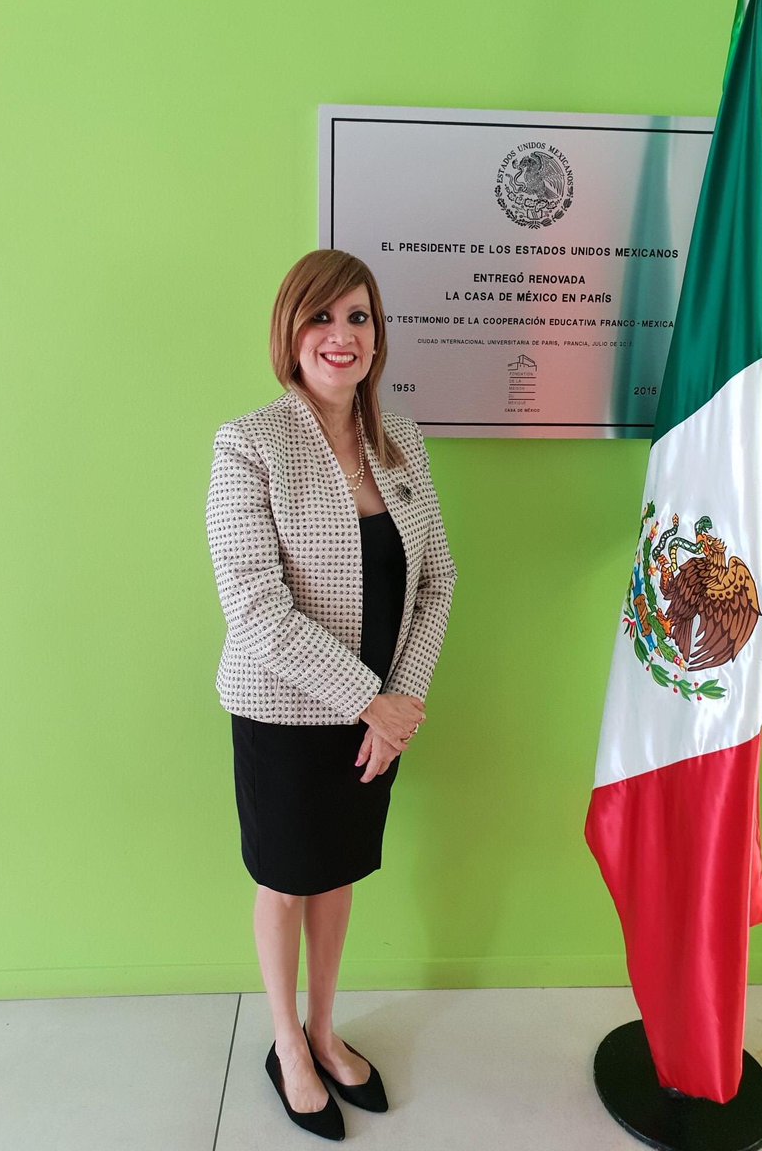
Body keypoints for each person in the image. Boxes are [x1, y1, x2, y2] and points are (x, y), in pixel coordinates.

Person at [206, 249, 457, 1140]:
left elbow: (437, 582)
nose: (340, 336)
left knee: (340, 874)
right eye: (322, 318)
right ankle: (284, 1043)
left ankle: (322, 1027)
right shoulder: (250, 444)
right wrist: (369, 699)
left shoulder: (402, 444)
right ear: (290, 332)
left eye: (358, 318)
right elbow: (254, 607)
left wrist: (402, 702)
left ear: (377, 335)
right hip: (283, 713)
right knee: (285, 880)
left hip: (377, 722)